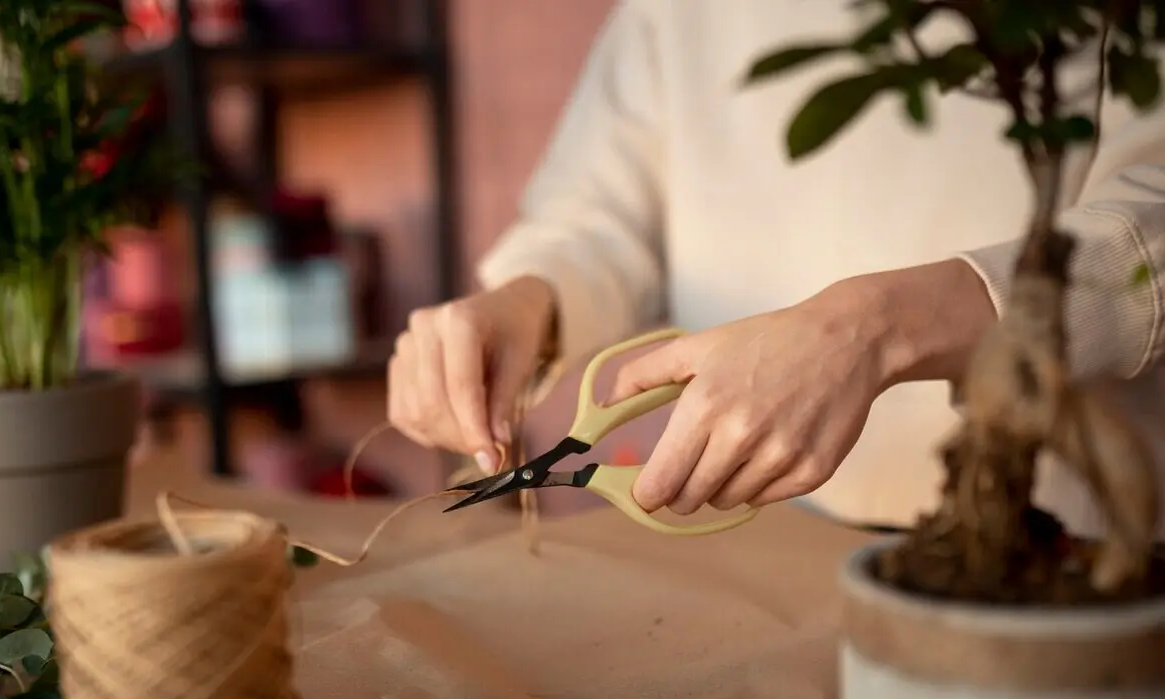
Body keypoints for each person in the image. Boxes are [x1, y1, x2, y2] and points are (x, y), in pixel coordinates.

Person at [386, 0, 1165, 537]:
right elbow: (597, 216)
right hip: (768, 558)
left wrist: (872, 330)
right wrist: (530, 301)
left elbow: (1149, 228)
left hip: (1074, 546)